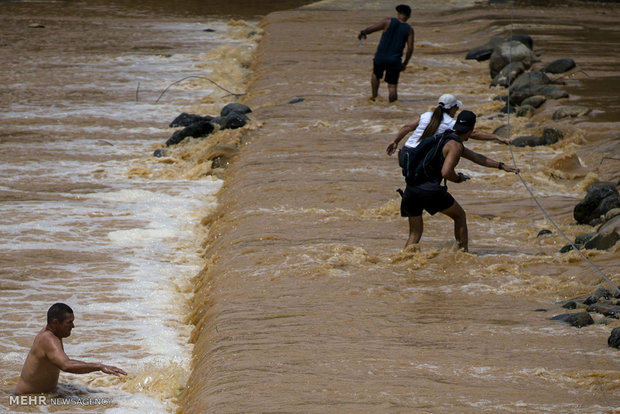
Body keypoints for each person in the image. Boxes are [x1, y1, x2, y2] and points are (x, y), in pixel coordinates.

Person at [398, 110, 520, 251]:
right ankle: (464, 254)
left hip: (411, 188)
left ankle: (404, 263)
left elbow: (477, 157)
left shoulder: (444, 137)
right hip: (429, 190)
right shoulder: (455, 146)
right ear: (472, 129)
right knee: (460, 216)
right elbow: (446, 172)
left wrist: (502, 166)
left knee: (414, 234)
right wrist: (458, 179)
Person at [15, 303, 127, 395]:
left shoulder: (52, 332)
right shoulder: (48, 339)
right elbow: (66, 365)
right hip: (28, 401)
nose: (73, 326)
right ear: (55, 322)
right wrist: (99, 366)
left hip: (41, 397)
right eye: (69, 322)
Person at [386, 93, 510, 156]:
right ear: (453, 108)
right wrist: (497, 137)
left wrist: (395, 141)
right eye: (456, 108)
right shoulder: (451, 123)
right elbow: (475, 133)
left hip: (405, 153)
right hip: (418, 156)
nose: (456, 111)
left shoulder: (426, 115)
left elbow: (407, 127)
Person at [358, 4, 414, 102]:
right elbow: (410, 48)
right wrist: (405, 63)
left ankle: (374, 98)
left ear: (398, 13)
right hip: (395, 60)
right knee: (392, 86)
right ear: (409, 16)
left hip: (380, 57)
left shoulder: (387, 22)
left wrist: (363, 33)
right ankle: (393, 107)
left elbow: (371, 29)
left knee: (376, 75)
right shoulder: (409, 29)